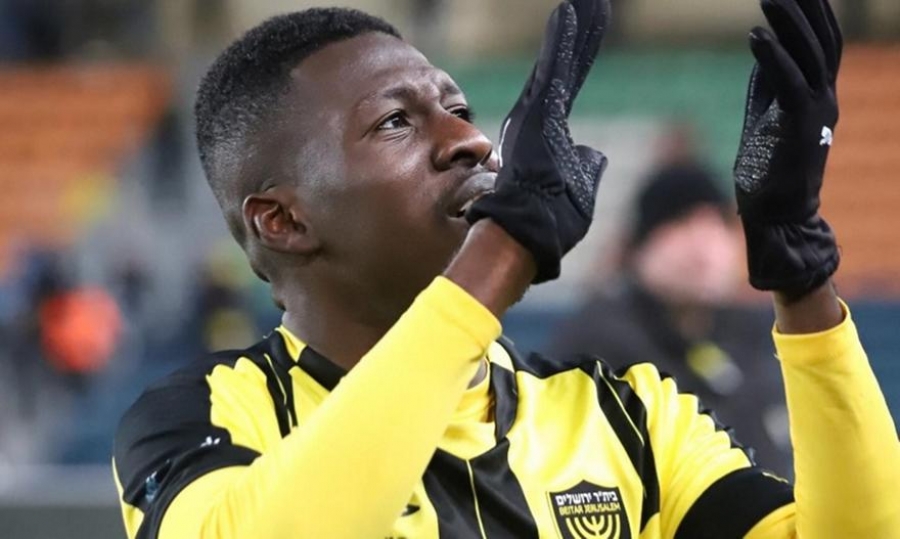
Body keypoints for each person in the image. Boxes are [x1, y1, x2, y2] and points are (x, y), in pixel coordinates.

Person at [113, 1, 899, 538]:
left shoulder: (625, 418)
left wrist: (800, 269)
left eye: (459, 109)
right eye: (396, 122)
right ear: (282, 220)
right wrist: (505, 247)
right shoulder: (202, 418)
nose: (470, 141)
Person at [549, 162, 794, 478]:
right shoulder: (600, 339)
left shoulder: (751, 332)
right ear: (641, 246)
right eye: (682, 222)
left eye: (717, 222)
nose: (704, 243)